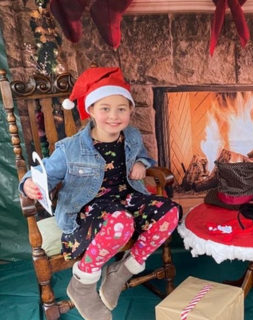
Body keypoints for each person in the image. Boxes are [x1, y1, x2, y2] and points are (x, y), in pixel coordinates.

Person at [19, 66, 182, 320]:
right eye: (105, 108)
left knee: (170, 210)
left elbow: (141, 156)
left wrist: (142, 164)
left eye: (121, 109)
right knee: (121, 222)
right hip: (87, 210)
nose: (114, 116)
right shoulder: (70, 149)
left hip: (125, 200)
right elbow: (43, 173)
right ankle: (82, 284)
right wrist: (29, 183)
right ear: (91, 111)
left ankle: (122, 270)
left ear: (130, 110)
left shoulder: (131, 136)